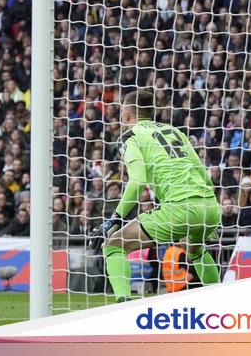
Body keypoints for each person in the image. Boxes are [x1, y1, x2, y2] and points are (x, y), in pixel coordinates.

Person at [89, 91, 221, 302]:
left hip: (179, 209)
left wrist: (114, 219)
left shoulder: (130, 136)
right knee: (195, 251)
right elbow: (206, 178)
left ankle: (124, 308)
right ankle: (222, 304)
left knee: (114, 245)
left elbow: (138, 181)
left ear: (127, 113)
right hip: (210, 208)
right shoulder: (176, 132)